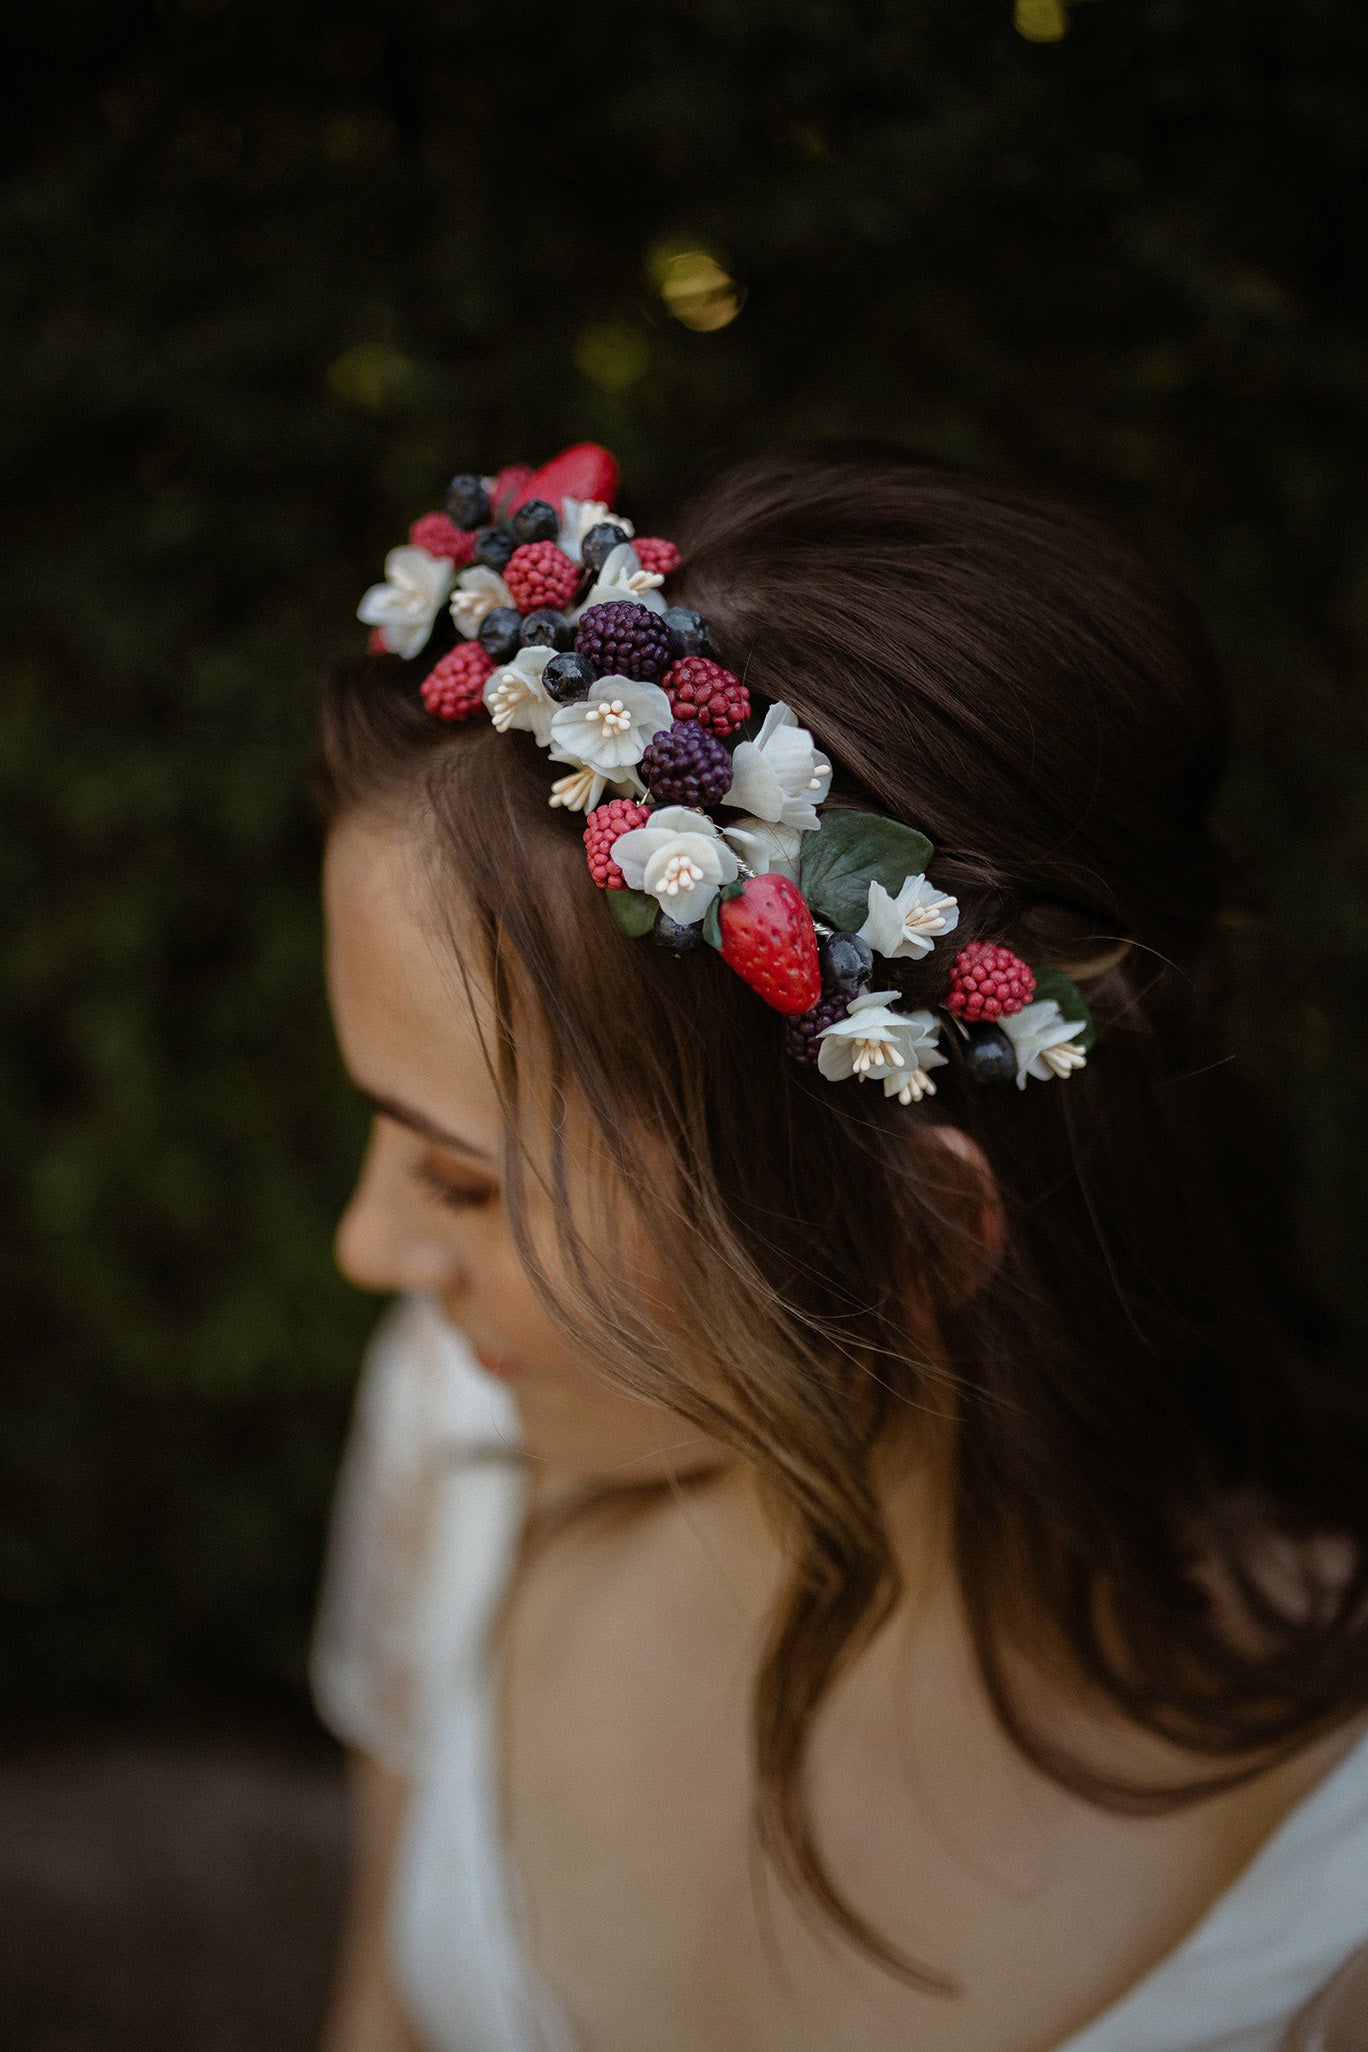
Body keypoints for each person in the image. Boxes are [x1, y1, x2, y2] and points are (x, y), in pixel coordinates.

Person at [310, 443, 1368, 2052]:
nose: (366, 1249)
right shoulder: (456, 1443)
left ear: (918, 1229)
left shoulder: (1328, 1874)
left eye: (464, 1183)